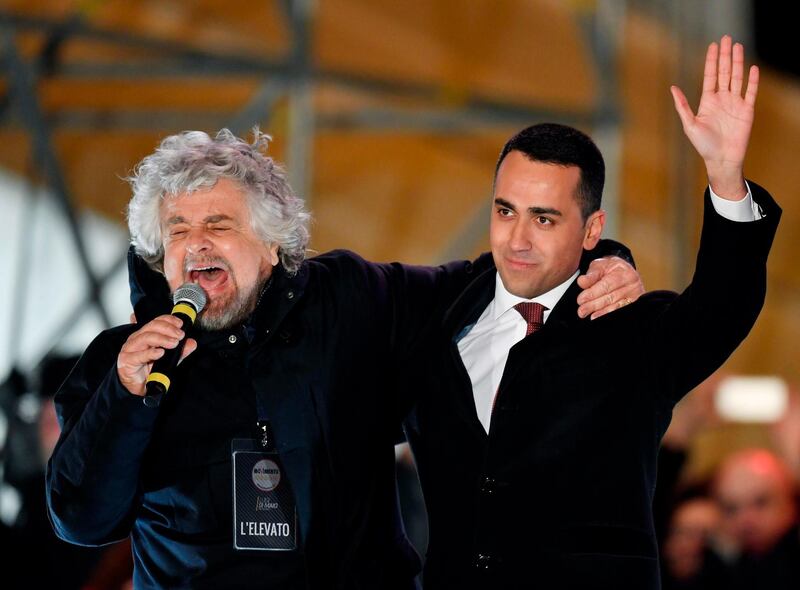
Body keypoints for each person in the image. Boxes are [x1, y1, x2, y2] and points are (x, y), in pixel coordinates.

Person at [44, 126, 643, 586]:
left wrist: (599, 259)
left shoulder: (352, 301)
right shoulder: (121, 364)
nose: (196, 242)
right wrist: (123, 398)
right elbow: (81, 519)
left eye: (219, 224)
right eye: (177, 229)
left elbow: (492, 275)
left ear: (273, 242)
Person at [403, 35, 780, 589]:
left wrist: (725, 176)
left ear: (593, 230)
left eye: (546, 218)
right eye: (506, 211)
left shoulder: (631, 331)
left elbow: (724, 306)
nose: (519, 239)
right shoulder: (438, 325)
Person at [696, 449, 800, 589]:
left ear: (789, 500)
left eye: (760, 502)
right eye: (731, 509)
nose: (745, 520)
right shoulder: (710, 567)